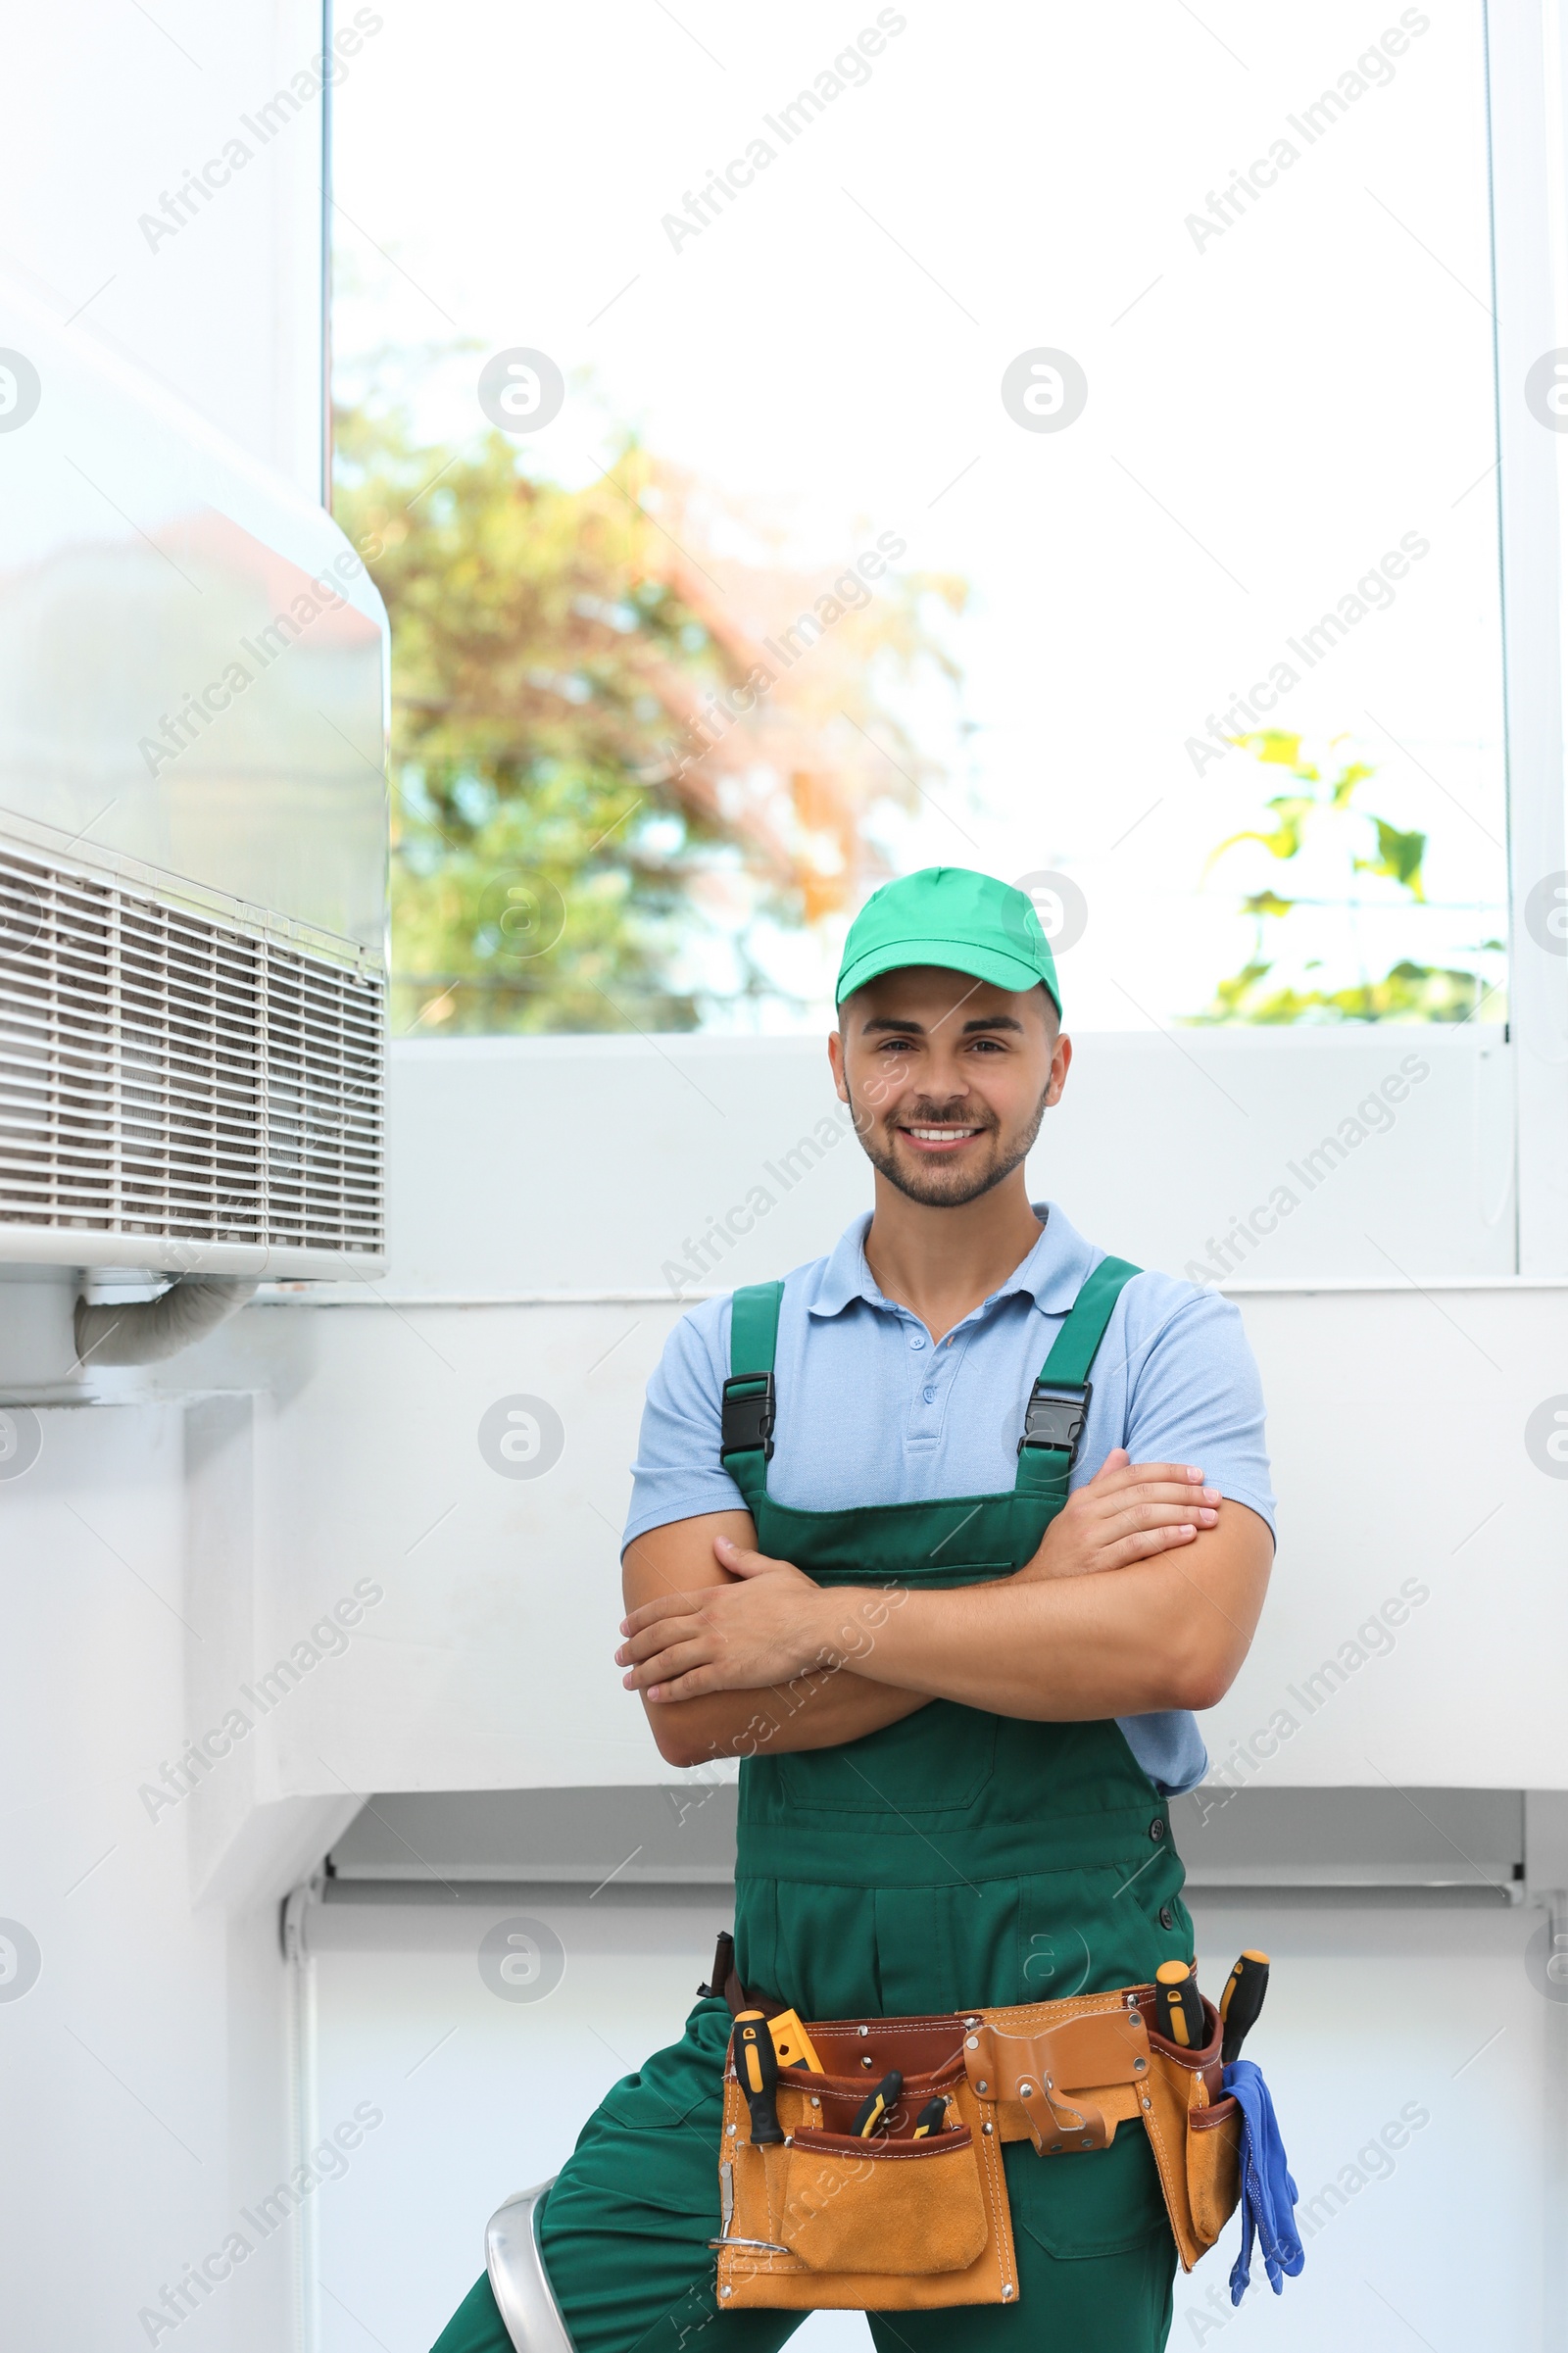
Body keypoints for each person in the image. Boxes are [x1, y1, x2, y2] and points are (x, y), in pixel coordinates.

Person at [433, 865, 1275, 2353]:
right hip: (773, 2068)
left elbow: (1177, 1645)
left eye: (986, 1038)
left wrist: (814, 1623)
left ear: (1056, 1064)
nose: (938, 1082)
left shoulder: (1163, 1338)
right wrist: (1035, 1600)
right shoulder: (730, 1355)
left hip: (1058, 2095)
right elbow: (695, 1707)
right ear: (838, 1059)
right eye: (896, 1037)